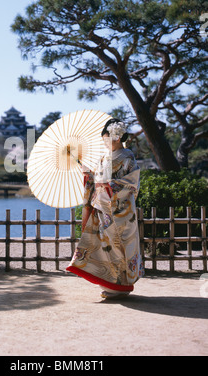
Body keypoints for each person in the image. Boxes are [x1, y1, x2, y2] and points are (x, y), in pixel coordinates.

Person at [66, 118, 144, 299]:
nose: (104, 142)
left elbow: (132, 182)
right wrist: (89, 176)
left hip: (120, 211)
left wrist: (111, 185)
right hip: (102, 209)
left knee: (119, 246)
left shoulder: (127, 157)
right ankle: (109, 283)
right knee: (104, 246)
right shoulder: (104, 158)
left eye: (106, 138)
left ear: (116, 137)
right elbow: (97, 180)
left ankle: (120, 284)